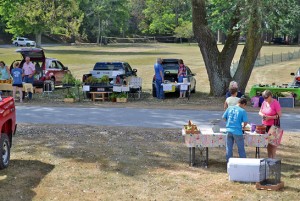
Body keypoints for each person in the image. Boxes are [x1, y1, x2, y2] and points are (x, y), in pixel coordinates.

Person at [222, 98, 248, 162]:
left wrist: (228, 122)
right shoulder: (242, 111)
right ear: (243, 104)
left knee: (229, 148)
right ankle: (244, 163)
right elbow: (245, 122)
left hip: (228, 130)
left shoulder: (229, 108)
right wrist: (243, 126)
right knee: (241, 148)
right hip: (237, 131)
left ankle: (229, 163)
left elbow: (223, 117)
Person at [258, 90, 282, 158]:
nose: (265, 99)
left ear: (270, 96)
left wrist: (270, 117)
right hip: (265, 125)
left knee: (273, 144)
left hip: (274, 126)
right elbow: (259, 112)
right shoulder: (264, 102)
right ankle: (269, 158)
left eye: (266, 98)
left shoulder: (275, 103)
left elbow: (279, 115)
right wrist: (263, 115)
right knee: (268, 143)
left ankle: (273, 159)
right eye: (264, 98)